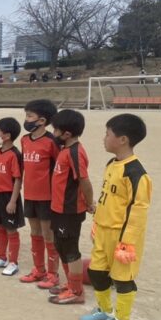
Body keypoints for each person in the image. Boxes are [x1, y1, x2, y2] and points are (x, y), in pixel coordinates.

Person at [81, 114, 151, 320]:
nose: (104, 138)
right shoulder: (112, 164)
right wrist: (96, 223)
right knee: (96, 272)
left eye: (107, 134)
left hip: (122, 237)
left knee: (122, 278)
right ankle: (104, 309)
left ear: (122, 139)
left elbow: (138, 210)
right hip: (103, 230)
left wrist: (127, 242)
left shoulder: (136, 173)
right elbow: (107, 199)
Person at [47, 109, 95, 305]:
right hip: (58, 207)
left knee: (70, 249)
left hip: (70, 209)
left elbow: (84, 180)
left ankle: (76, 292)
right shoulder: (65, 149)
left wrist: (90, 202)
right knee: (60, 245)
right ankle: (71, 283)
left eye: (56, 130)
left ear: (66, 134)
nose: (53, 134)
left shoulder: (75, 152)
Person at [19, 100, 62, 288]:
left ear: (42, 120)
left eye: (30, 116)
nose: (26, 119)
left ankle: (53, 274)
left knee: (48, 235)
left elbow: (60, 167)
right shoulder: (24, 140)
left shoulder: (52, 141)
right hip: (29, 194)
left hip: (47, 197)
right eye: (26, 115)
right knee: (34, 233)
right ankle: (39, 269)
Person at [0, 118, 24, 276]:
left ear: (7, 136)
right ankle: (1, 257)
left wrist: (13, 201)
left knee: (11, 229)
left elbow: (18, 179)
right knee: (0, 227)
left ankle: (13, 262)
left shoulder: (14, 154)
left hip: (8, 196)